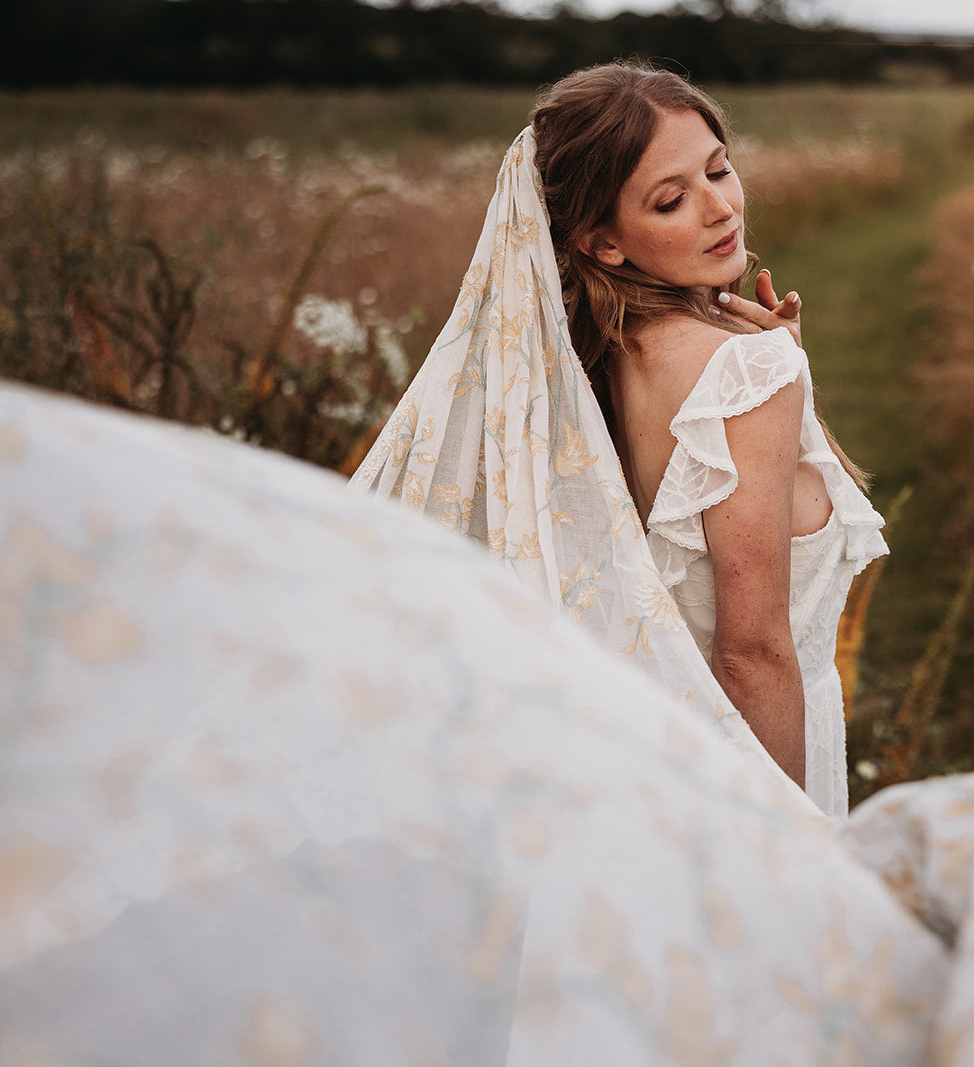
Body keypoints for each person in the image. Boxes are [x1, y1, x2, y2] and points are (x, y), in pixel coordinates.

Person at [355, 60, 887, 818]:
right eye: (672, 199)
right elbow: (752, 652)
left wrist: (787, 364)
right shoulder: (745, 365)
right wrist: (787, 855)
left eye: (719, 169)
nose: (718, 208)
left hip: (645, 759)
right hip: (742, 768)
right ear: (603, 242)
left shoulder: (583, 358)